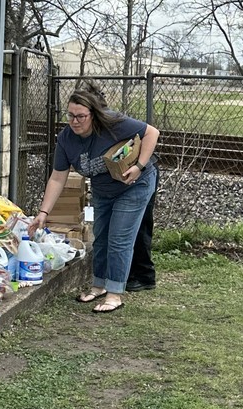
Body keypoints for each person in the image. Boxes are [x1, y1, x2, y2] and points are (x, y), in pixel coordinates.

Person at [28, 83, 159, 313]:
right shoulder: (66, 139)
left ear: (93, 115)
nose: (75, 121)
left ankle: (115, 293)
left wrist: (139, 166)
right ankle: (98, 285)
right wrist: (43, 213)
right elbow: (58, 177)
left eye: (81, 116)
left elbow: (151, 133)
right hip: (103, 189)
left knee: (119, 238)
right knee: (101, 237)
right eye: (70, 116)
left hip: (134, 185)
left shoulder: (112, 124)